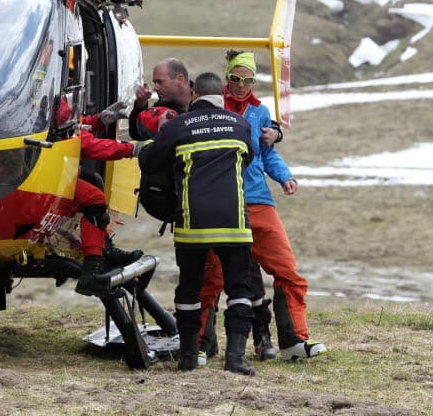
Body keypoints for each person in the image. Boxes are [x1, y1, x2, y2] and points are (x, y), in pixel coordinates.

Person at [199, 53, 327, 362]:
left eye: (248, 80)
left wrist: (285, 177)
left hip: (257, 200)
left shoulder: (260, 111)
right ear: (226, 78)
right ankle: (201, 343)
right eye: (235, 79)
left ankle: (294, 341)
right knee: (211, 277)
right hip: (222, 202)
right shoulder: (214, 107)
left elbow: (267, 153)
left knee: (287, 271)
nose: (241, 86)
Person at [137, 84, 257, 375]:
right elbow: (248, 158)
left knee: (190, 289)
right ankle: (236, 359)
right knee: (240, 288)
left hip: (193, 224)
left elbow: (149, 162)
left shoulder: (179, 125)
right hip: (234, 223)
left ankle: (189, 357)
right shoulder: (240, 124)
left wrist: (160, 136)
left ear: (194, 96)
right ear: (222, 98)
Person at [52, 97, 144, 296]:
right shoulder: (46, 91)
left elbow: (69, 128)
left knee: (94, 182)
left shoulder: (44, 87)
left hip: (50, 168)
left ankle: (104, 250)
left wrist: (97, 121)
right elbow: (82, 142)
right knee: (93, 198)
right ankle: (92, 271)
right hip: (45, 174)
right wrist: (132, 149)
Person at [128, 58, 192, 141]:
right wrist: (140, 105)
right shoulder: (160, 110)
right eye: (154, 83)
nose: (155, 88)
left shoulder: (204, 103)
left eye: (160, 82)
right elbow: (137, 134)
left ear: (180, 79)